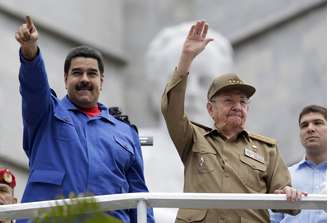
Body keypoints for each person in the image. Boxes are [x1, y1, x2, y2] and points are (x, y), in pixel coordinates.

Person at [161, 20, 305, 223]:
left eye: (243, 102)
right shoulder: (192, 138)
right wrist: (186, 58)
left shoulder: (267, 149)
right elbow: (171, 109)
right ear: (210, 109)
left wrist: (288, 193)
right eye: (228, 101)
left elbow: (283, 199)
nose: (237, 106)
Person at [15, 16, 154, 223]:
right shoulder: (46, 115)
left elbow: (139, 197)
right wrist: (30, 51)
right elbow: (33, 86)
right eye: (77, 73)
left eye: (92, 74)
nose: (85, 79)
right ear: (65, 79)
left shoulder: (125, 132)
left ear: (102, 81)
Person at [142, 22, 234, 222]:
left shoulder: (243, 153)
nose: (191, 93)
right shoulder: (138, 145)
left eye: (204, 81)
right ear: (153, 89)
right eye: (178, 81)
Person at [270, 105, 327, 222]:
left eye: (318, 123)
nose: (310, 129)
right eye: (304, 125)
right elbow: (272, 219)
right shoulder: (284, 176)